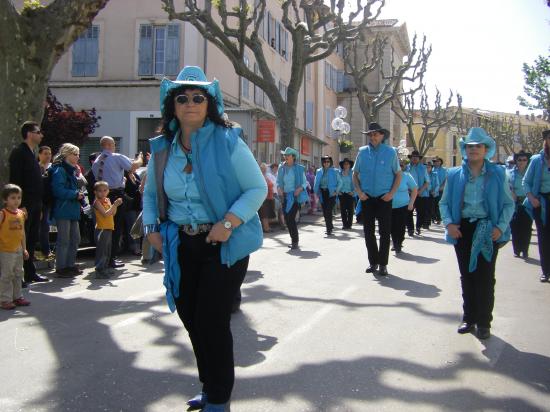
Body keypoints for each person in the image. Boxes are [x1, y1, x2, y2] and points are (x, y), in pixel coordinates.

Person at [142, 66, 266, 411]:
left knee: (212, 319)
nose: (191, 103)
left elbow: (256, 188)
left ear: (210, 103)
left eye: (199, 97)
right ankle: (210, 385)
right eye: (182, 97)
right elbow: (151, 195)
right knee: (190, 318)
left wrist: (227, 223)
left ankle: (219, 396)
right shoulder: (162, 148)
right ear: (173, 106)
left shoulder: (228, 142)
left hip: (224, 243)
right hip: (180, 243)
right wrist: (151, 228)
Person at [439, 127, 514, 340]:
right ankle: (469, 317)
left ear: (486, 149)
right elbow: (443, 203)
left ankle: (484, 322)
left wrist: (499, 227)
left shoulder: (498, 173)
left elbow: (509, 204)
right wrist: (449, 224)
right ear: (464, 149)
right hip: (462, 230)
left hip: (487, 229)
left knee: (485, 277)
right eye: (469, 146)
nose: (473, 150)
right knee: (467, 276)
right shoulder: (453, 174)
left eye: (478, 146)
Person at [353, 122, 401, 276]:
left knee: (385, 232)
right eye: (371, 134)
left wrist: (392, 193)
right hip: (367, 197)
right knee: (368, 232)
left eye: (375, 134)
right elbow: (355, 174)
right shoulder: (362, 152)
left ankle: (383, 264)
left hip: (384, 198)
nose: (373, 137)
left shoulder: (390, 152)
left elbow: (398, 174)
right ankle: (373, 262)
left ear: (382, 136)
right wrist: (359, 192)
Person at [92, 136, 143, 268]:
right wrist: (140, 158)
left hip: (101, 196)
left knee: (104, 229)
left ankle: (105, 257)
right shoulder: (115, 157)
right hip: (114, 195)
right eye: (114, 144)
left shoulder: (97, 161)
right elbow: (133, 166)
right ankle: (110, 258)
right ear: (110, 145)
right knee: (115, 228)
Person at [8, 121, 49, 285]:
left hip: (35, 203)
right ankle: (19, 276)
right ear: (30, 134)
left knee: (32, 239)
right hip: (25, 204)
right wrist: (21, 204)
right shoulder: (19, 152)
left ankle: (30, 272)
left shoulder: (31, 153)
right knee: (21, 240)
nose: (41, 135)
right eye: (38, 132)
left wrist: (38, 205)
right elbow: (16, 180)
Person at [50, 143, 86, 278]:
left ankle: (70, 265)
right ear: (67, 155)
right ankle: (61, 267)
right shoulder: (60, 170)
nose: (78, 157)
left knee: (75, 238)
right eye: (75, 154)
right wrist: (75, 194)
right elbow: (57, 190)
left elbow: (83, 183)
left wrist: (79, 173)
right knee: (64, 239)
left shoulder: (72, 170)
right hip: (63, 208)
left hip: (72, 209)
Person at [523, 129, 550, 282]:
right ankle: (546, 271)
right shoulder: (536, 160)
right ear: (545, 140)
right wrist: (532, 198)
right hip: (542, 204)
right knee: (544, 238)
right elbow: (526, 182)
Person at [0, 184, 30, 310]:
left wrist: (24, 248)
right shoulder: (3, 214)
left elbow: (22, 232)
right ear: (5, 200)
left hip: (18, 249)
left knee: (19, 273)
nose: (16, 200)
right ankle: (5, 299)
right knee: (7, 275)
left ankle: (17, 296)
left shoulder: (21, 214)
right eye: (13, 198)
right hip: (6, 249)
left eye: (18, 197)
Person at [277, 147, 309, 249]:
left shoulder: (299, 168)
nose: (285, 157)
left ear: (293, 157)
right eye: (285, 155)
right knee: (287, 219)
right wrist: (278, 187)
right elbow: (278, 181)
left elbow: (305, 183)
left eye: (288, 155)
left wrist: (300, 189)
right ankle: (293, 240)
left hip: (295, 197)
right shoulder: (281, 168)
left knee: (290, 218)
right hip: (285, 196)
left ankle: (295, 241)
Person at [93, 181, 123, 279]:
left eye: (105, 190)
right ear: (95, 192)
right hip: (101, 228)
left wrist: (115, 206)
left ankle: (105, 268)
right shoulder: (97, 202)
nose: (103, 193)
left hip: (109, 227)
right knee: (102, 250)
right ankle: (99, 270)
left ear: (108, 191)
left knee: (107, 250)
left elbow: (113, 213)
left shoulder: (107, 200)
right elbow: (105, 214)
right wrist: (114, 205)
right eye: (100, 191)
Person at [507, 151, 532, 259]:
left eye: (524, 160)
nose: (522, 162)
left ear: (527, 161)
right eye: (519, 160)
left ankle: (525, 250)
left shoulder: (530, 173)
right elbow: (506, 185)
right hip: (515, 203)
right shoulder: (511, 172)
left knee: (526, 227)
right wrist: (511, 192)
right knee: (515, 226)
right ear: (516, 161)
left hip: (527, 203)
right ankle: (517, 250)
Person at [391, 159, 418, 253]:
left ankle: (399, 243)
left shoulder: (407, 176)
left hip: (403, 205)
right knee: (391, 226)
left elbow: (414, 189)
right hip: (389, 205)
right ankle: (395, 243)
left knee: (400, 226)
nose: (399, 167)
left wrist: (411, 203)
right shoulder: (388, 175)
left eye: (401, 165)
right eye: (397, 165)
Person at [314, 155, 342, 235]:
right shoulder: (319, 171)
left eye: (328, 161)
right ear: (322, 162)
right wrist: (316, 193)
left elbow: (340, 182)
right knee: (325, 211)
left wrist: (336, 191)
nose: (326, 163)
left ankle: (328, 229)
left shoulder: (335, 171)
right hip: (322, 193)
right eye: (325, 161)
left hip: (331, 194)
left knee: (328, 210)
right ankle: (330, 225)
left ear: (330, 162)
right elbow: (316, 183)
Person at [406, 150, 430, 236]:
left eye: (416, 157)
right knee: (409, 211)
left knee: (421, 212)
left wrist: (420, 191)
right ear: (411, 158)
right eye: (413, 157)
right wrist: (407, 190)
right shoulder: (407, 168)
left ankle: (418, 227)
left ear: (419, 159)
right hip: (409, 193)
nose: (415, 159)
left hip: (421, 194)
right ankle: (410, 229)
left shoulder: (423, 168)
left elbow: (427, 181)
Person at [37, 145, 54, 260]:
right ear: (39, 155)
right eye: (45, 153)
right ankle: (45, 251)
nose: (48, 156)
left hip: (53, 201)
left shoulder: (53, 168)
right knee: (44, 227)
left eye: (49, 153)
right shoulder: (36, 168)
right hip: (42, 203)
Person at [338, 158, 356, 230]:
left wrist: (353, 192)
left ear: (350, 165)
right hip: (342, 194)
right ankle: (344, 224)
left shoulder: (353, 173)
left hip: (350, 194)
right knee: (343, 210)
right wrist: (338, 191)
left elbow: (356, 184)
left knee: (350, 210)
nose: (346, 165)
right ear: (342, 165)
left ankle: (349, 225)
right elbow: (337, 183)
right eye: (344, 164)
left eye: (347, 164)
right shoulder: (339, 173)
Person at [258, 163, 276, 232]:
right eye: (263, 169)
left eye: (265, 169)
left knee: (267, 214)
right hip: (263, 198)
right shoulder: (259, 176)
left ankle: (267, 227)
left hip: (269, 198)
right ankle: (266, 228)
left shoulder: (266, 176)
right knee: (264, 214)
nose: (265, 170)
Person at [432, 156, 447, 225]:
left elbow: (446, 179)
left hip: (441, 190)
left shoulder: (444, 170)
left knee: (439, 204)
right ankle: (433, 217)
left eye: (438, 161)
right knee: (432, 204)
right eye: (434, 161)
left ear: (441, 162)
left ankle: (439, 218)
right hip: (432, 190)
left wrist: (442, 187)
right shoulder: (431, 169)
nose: (436, 162)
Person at [425, 161, 440, 229]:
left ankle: (428, 222)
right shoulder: (423, 174)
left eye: (429, 167)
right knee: (424, 208)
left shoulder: (435, 174)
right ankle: (424, 222)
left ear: (431, 168)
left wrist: (434, 191)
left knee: (430, 208)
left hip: (432, 194)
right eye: (427, 167)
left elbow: (437, 184)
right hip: (425, 193)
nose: (428, 168)